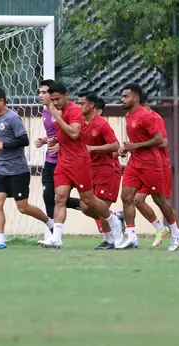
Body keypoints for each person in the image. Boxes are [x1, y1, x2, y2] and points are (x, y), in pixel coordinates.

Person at [38, 81, 124, 249]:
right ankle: (56, 238)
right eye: (52, 99)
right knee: (60, 197)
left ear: (66, 96)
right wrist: (52, 140)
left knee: (88, 200)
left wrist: (57, 117)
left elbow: (75, 133)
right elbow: (64, 134)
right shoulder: (56, 110)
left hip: (79, 163)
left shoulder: (74, 111)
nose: (54, 103)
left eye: (57, 99)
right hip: (63, 162)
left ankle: (114, 221)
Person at [0, 87, 53, 249]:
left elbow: (24, 141)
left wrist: (3, 145)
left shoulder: (13, 118)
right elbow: (6, 145)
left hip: (18, 171)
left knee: (23, 208)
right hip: (1, 170)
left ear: (1, 101)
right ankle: (0, 240)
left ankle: (50, 223)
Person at [117, 83, 179, 251]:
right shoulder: (128, 116)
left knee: (159, 199)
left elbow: (159, 139)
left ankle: (176, 233)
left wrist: (135, 146)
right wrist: (127, 148)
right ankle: (132, 237)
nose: (122, 99)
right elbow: (136, 140)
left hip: (151, 163)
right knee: (126, 196)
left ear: (136, 98)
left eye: (125, 96)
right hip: (134, 162)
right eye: (122, 96)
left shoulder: (147, 116)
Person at [77, 91, 122, 250]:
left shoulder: (101, 124)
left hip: (105, 170)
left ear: (92, 105)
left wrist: (93, 148)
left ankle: (110, 240)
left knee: (100, 205)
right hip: (89, 170)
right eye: (78, 103)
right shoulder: (80, 123)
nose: (79, 106)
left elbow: (115, 146)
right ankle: (115, 217)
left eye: (82, 103)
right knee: (85, 207)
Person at [34, 79, 80, 220]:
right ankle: (53, 232)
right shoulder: (45, 111)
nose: (41, 95)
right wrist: (45, 140)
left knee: (86, 200)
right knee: (48, 196)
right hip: (51, 159)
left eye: (44, 92)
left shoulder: (67, 111)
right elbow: (54, 135)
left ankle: (111, 216)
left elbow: (75, 133)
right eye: (39, 92)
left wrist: (61, 144)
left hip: (67, 160)